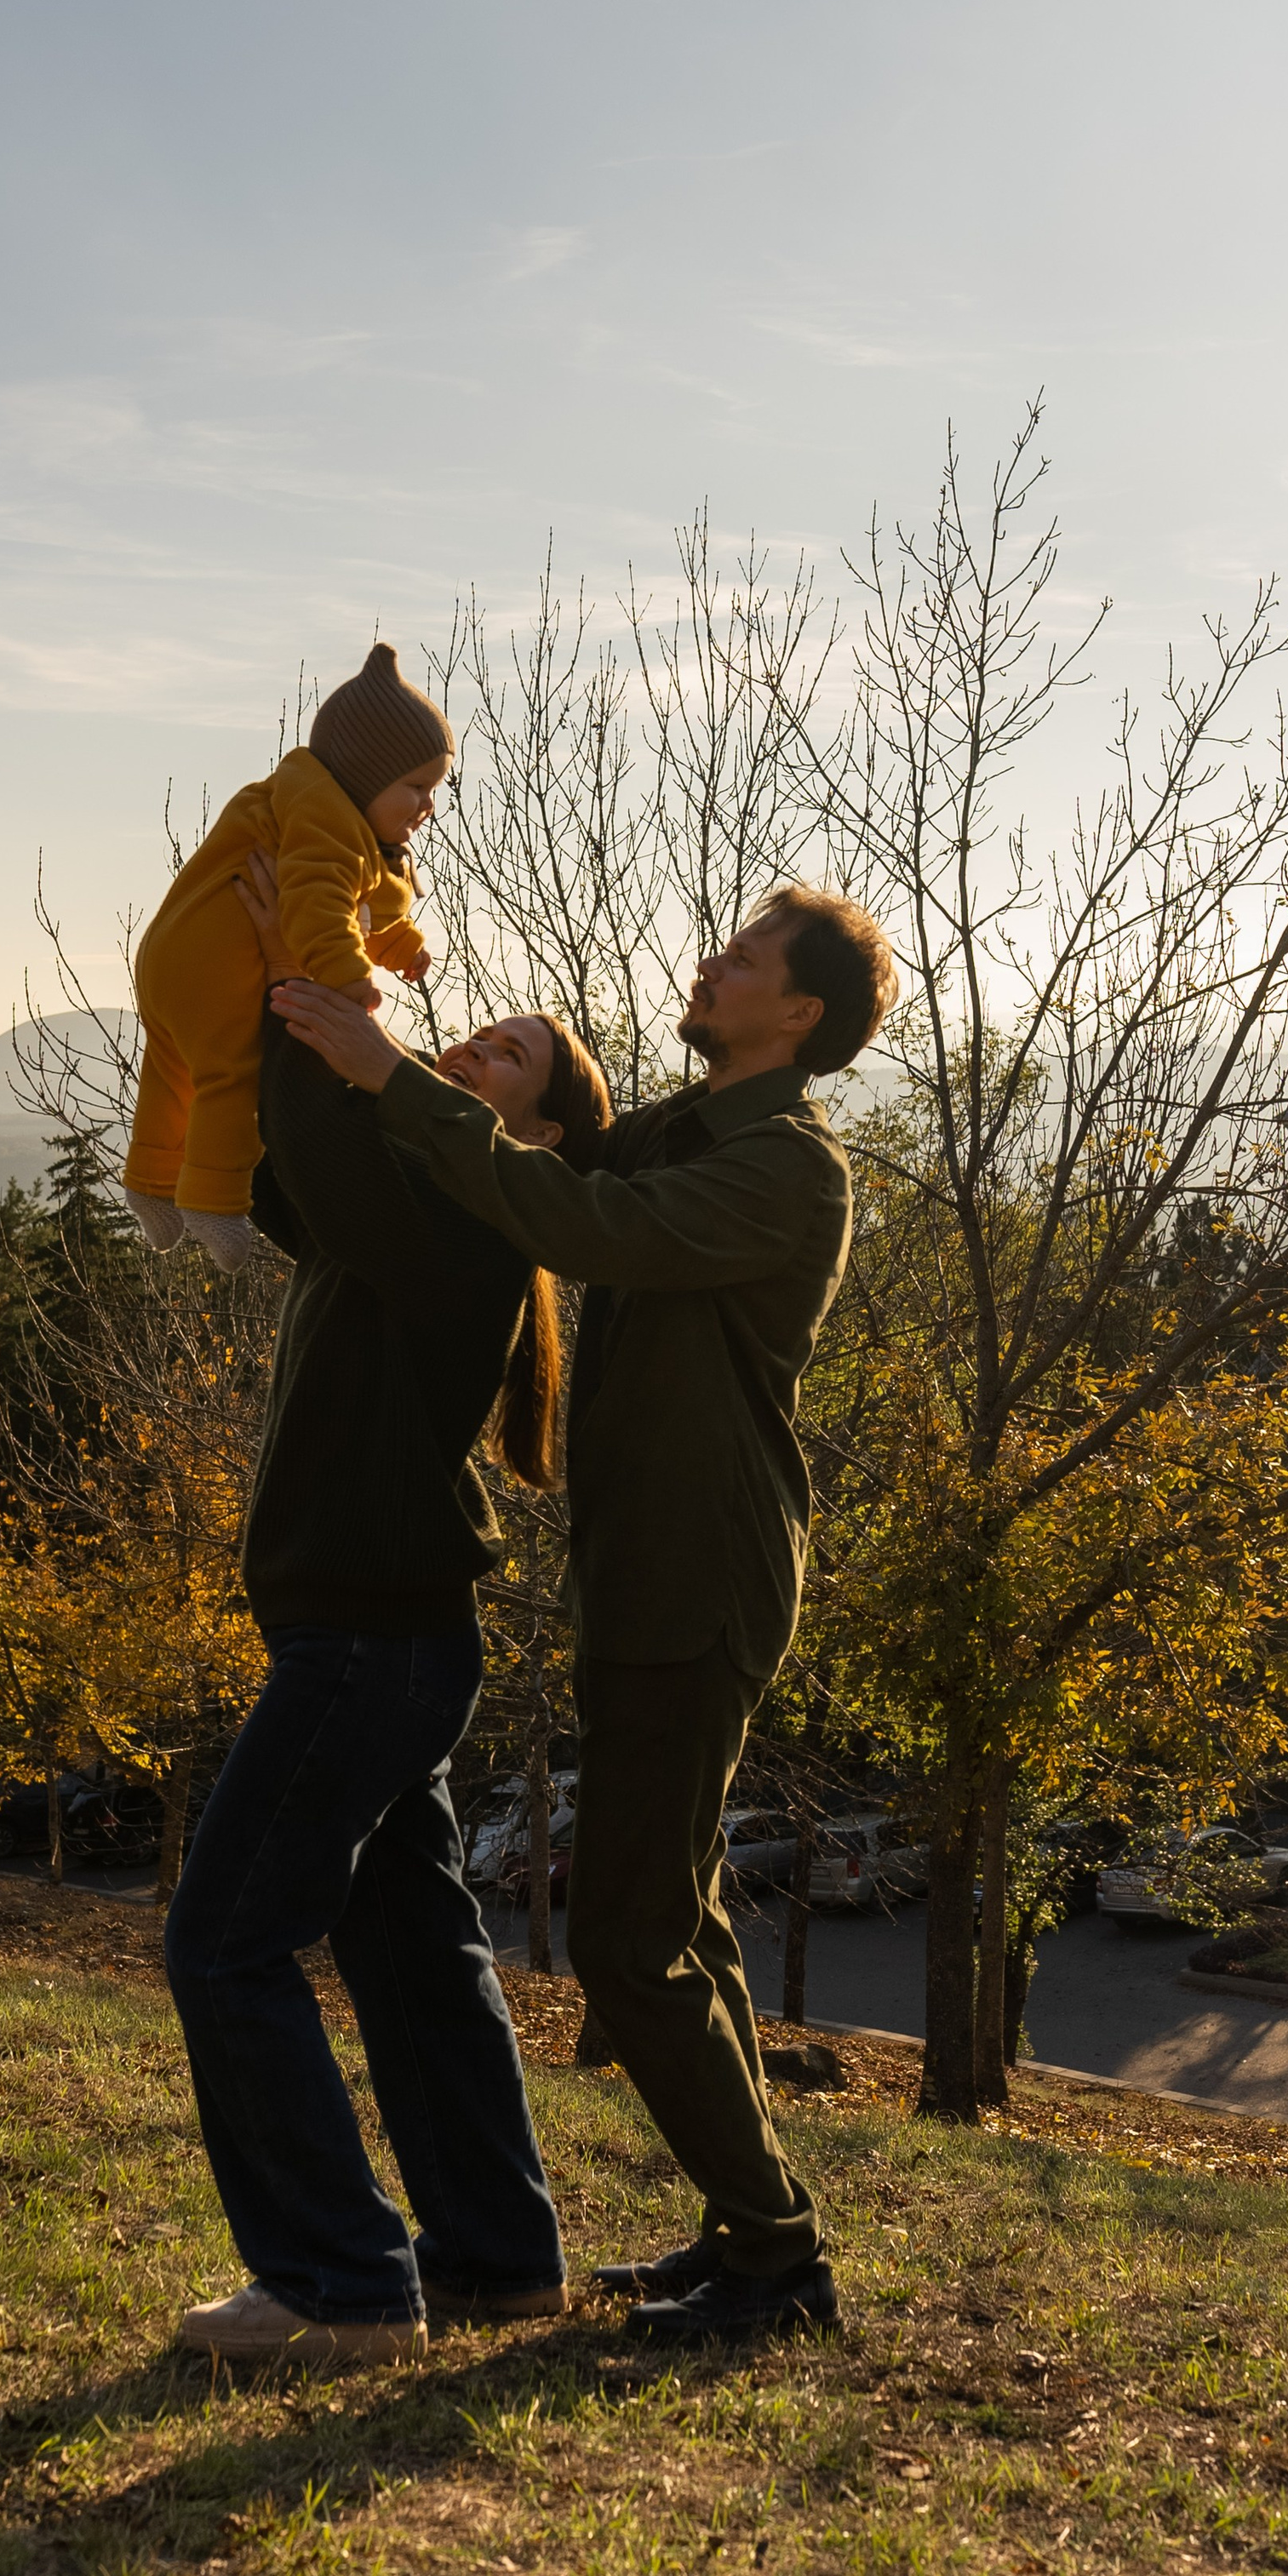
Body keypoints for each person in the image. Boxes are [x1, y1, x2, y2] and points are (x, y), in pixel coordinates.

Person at [273, 884, 898, 2342]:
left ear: (797, 1015)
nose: (715, 957)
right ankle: (753, 2232)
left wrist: (393, 1084)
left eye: (746, 957)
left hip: (699, 1578)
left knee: (626, 1942)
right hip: (650, 1574)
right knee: (679, 1917)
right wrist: (468, 1061)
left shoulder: (788, 1168)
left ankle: (780, 2261)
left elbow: (578, 1215)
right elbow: (562, 1152)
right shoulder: (696, 1125)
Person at [163, 902, 612, 2374]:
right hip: (386, 1639)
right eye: (484, 1031)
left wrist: (320, 995)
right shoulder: (418, 1212)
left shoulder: (472, 1224)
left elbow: (338, 1149)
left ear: (537, 1136)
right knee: (417, 1948)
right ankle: (497, 2254)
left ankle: (340, 2279)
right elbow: (294, 1171)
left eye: (512, 1057)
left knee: (226, 1940)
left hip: (369, 1642)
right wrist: (261, 996)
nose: (475, 1044)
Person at [121, 641, 450, 1271]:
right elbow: (318, 908)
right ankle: (213, 1201)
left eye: (435, 789)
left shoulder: (314, 814)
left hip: (170, 957)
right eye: (416, 786)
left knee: (169, 1073)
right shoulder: (326, 822)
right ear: (366, 772)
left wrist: (398, 944)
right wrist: (348, 979)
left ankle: (150, 1181)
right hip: (220, 966)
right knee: (230, 1076)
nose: (428, 805)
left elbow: (361, 905)